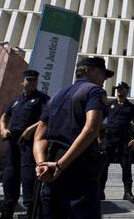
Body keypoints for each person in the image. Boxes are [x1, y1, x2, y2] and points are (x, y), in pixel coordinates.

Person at [33, 57, 113, 218]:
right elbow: (91, 129)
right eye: (103, 73)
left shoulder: (56, 96)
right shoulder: (95, 91)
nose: (105, 78)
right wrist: (61, 166)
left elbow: (39, 136)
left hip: (50, 170)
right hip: (79, 170)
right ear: (88, 70)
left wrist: (41, 164)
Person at [0, 70, 50, 219]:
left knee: (28, 175)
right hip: (13, 142)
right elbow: (4, 116)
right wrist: (3, 128)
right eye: (29, 79)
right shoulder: (16, 100)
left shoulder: (42, 99)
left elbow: (47, 117)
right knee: (9, 175)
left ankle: (30, 209)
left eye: (34, 80)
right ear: (23, 82)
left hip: (29, 142)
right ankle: (8, 207)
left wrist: (31, 129)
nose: (32, 82)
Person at [100, 82, 134, 202]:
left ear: (127, 90)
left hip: (124, 140)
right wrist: (98, 137)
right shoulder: (109, 104)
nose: (119, 90)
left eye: (121, 89)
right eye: (117, 88)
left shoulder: (131, 107)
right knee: (103, 166)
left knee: (126, 167)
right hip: (109, 139)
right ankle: (100, 192)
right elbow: (98, 120)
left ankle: (127, 192)